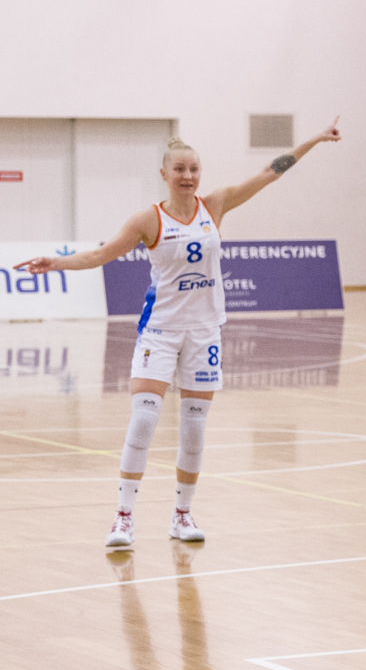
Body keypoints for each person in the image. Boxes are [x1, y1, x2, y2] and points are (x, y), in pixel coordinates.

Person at [13, 120, 344, 546]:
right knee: (145, 419)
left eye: (194, 169)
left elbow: (271, 171)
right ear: (165, 174)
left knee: (194, 429)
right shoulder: (147, 220)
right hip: (161, 332)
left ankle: (182, 515)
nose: (188, 176)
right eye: (180, 169)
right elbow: (101, 255)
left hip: (205, 332)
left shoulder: (216, 205)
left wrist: (314, 140)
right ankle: (123, 517)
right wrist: (55, 262)